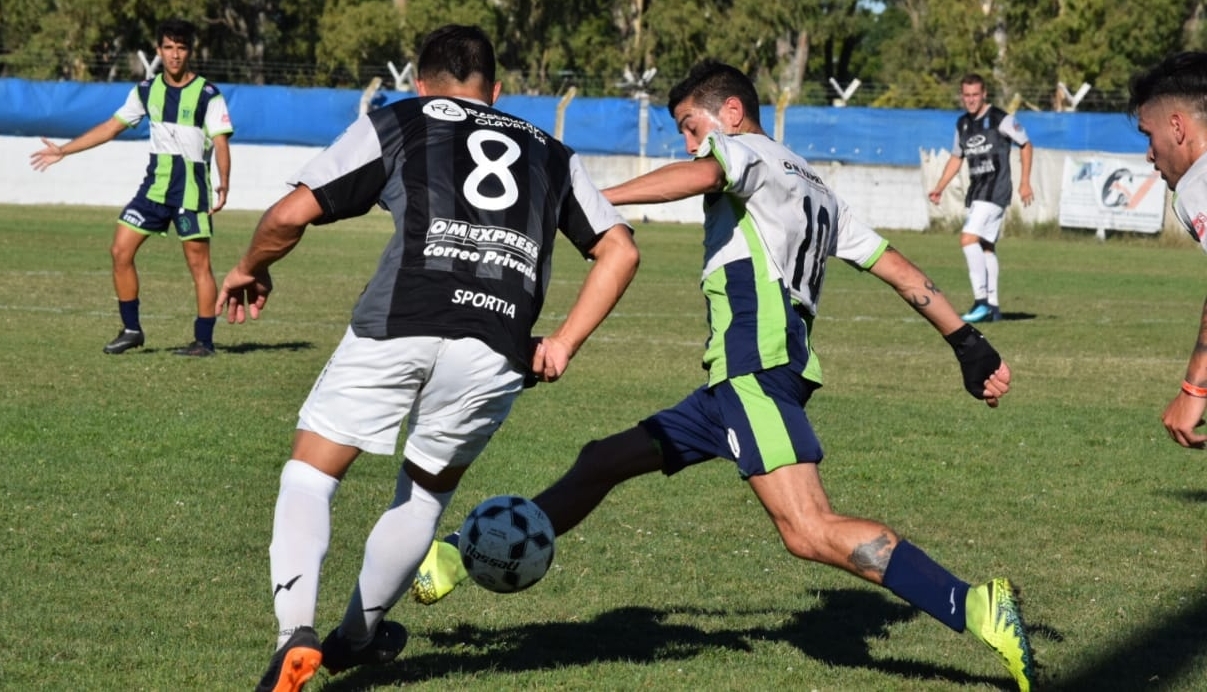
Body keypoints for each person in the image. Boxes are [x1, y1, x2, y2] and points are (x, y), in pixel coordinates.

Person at [412, 60, 1037, 691]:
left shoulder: (744, 155)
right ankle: (459, 553)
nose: (689, 143)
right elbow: (896, 267)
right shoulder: (814, 185)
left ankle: (977, 606)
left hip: (752, 372)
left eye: (690, 126)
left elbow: (700, 174)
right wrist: (967, 340)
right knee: (601, 459)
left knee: (808, 528)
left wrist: (594, 199)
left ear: (731, 113)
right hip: (740, 382)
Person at [215, 24, 639, 692]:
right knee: (424, 494)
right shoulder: (554, 152)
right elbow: (620, 248)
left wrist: (247, 268)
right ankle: (357, 635)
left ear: (419, 83)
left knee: (310, 476)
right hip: (499, 345)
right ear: (496, 92)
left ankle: (295, 630)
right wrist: (560, 344)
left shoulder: (401, 118)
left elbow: (289, 214)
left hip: (400, 320)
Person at [30, 19, 233, 357]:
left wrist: (223, 181)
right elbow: (111, 127)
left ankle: (204, 341)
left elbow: (222, 144)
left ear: (190, 52)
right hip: (154, 190)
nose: (175, 55)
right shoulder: (145, 90)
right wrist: (64, 150)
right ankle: (131, 329)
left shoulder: (208, 95)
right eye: (168, 48)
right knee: (120, 251)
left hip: (191, 192)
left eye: (181, 48)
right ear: (158, 51)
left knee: (199, 266)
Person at [1128, 52, 1207, 448]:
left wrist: (1194, 389)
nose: (1149, 153)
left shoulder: (1201, 179)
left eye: (1148, 134)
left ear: (1177, 126)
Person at [927, 73, 1034, 324]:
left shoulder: (1001, 119)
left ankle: (981, 301)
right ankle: (993, 307)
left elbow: (1026, 145)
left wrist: (1025, 181)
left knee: (968, 239)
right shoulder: (962, 124)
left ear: (984, 94)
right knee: (986, 245)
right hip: (977, 191)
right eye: (967, 95)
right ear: (962, 96)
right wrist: (940, 186)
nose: (971, 100)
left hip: (995, 189)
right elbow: (956, 157)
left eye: (976, 95)